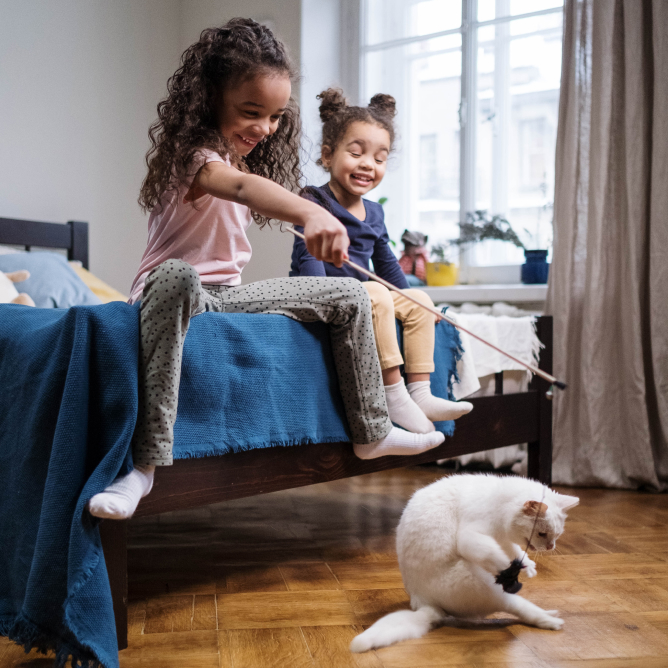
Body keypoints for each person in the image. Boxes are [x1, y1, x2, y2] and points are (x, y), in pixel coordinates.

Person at [87, 20, 444, 521]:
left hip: (224, 297)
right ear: (211, 97)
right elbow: (237, 188)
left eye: (276, 116)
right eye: (251, 112)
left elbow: (247, 185)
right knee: (177, 274)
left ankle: (372, 430)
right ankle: (142, 469)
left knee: (349, 296)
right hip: (174, 290)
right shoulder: (196, 158)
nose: (265, 128)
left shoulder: (240, 159)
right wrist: (312, 211)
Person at [290, 89, 473, 436]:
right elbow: (307, 255)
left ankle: (420, 391)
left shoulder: (374, 211)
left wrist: (406, 303)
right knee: (374, 292)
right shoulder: (314, 201)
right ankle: (393, 393)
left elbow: (386, 262)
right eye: (356, 153)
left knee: (419, 300)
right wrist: (317, 302)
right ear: (328, 156)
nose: (367, 165)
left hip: (364, 291)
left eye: (379, 158)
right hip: (322, 291)